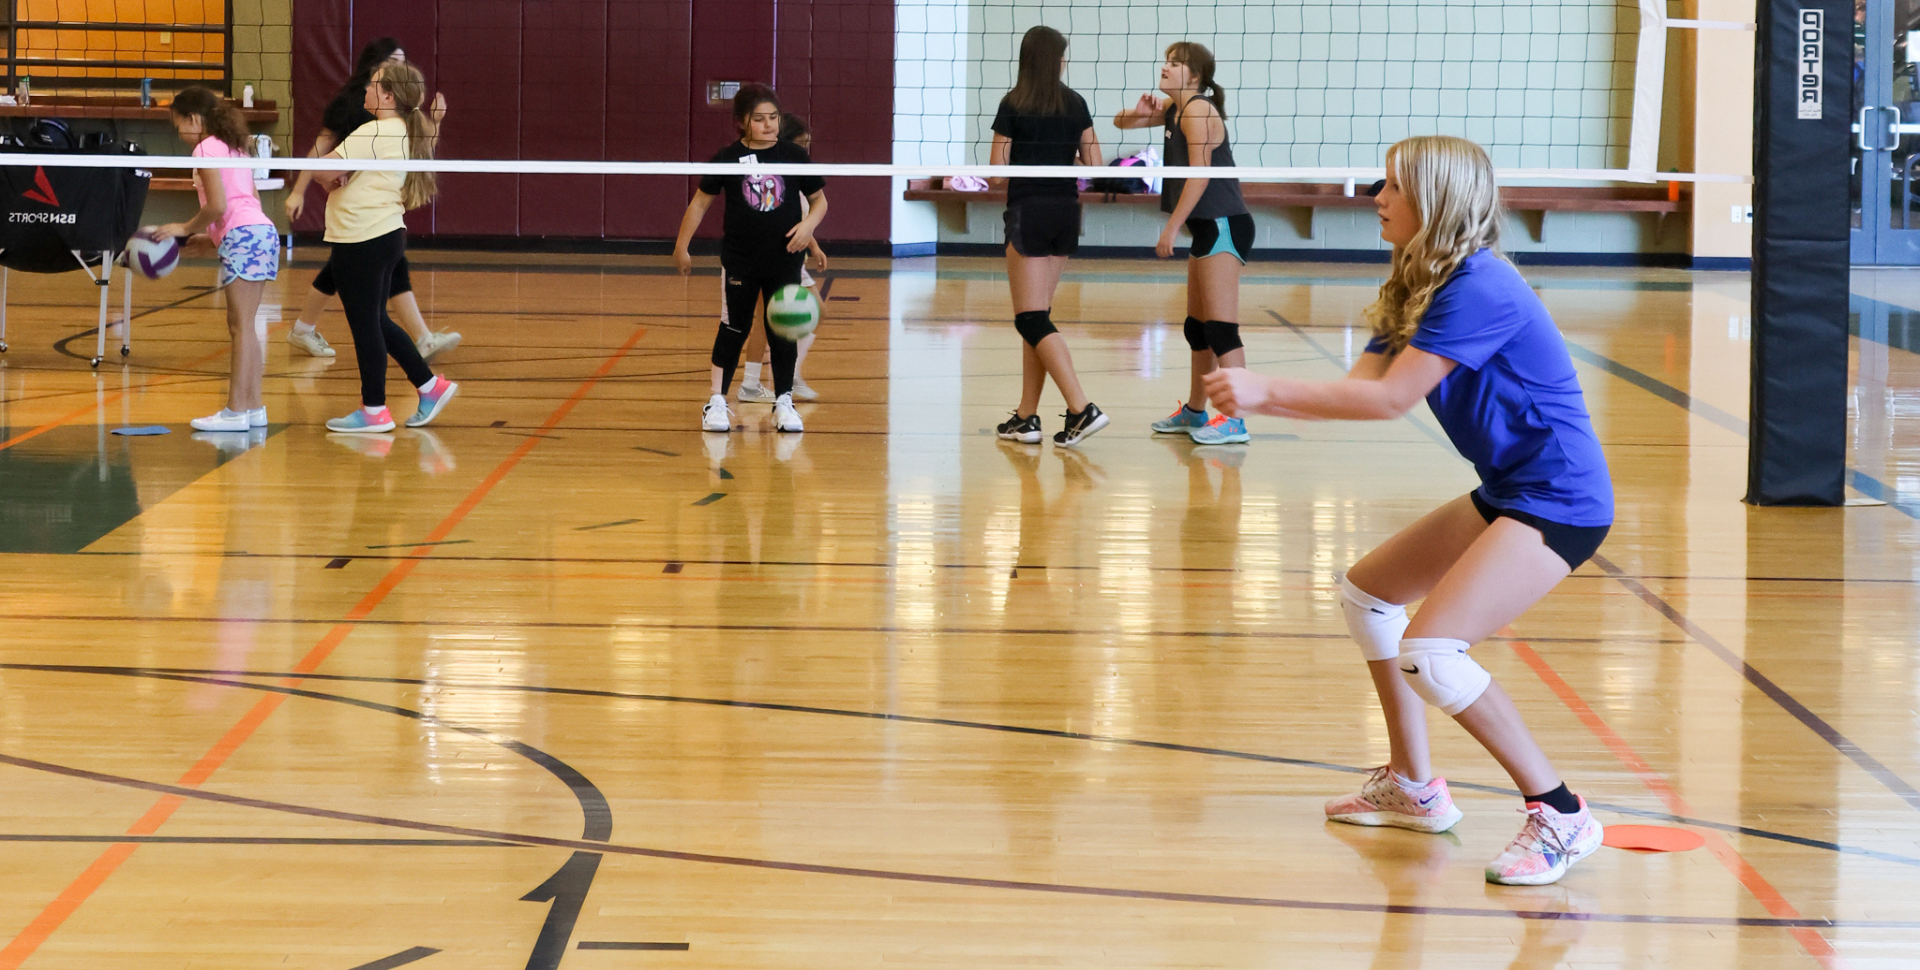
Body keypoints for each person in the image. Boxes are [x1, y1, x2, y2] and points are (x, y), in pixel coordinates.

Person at [1203, 135, 1613, 887]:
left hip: (1561, 498)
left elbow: (1392, 399)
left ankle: (1561, 813)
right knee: (1369, 594)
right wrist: (1266, 391)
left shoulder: (1480, 285)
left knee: (1433, 653)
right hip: (1510, 489)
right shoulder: (1415, 282)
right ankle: (1415, 787)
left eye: (1391, 186)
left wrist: (1262, 390)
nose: (1376, 198)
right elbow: (1361, 391)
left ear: (1435, 198)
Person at [1114, 41, 1254, 446]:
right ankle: (1196, 411)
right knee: (1197, 328)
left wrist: (1171, 228)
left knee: (1222, 329)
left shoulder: (1198, 110)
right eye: (1166, 61)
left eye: (1175, 64)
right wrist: (1140, 114)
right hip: (1206, 226)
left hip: (1223, 224)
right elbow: (1121, 122)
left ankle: (1235, 420)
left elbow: (1200, 176)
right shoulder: (1177, 109)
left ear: (1194, 76)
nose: (1165, 67)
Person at [285, 37, 457, 361]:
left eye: (405, 61)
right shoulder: (352, 105)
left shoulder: (400, 116)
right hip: (356, 214)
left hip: (375, 216)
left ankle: (305, 329)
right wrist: (299, 190)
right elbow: (321, 152)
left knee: (363, 278)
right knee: (369, 291)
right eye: (395, 61)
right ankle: (420, 351)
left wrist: (434, 122)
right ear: (375, 66)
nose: (402, 67)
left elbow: (420, 153)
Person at [309, 61, 459, 434]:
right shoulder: (407, 131)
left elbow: (320, 170)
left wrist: (336, 171)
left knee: (366, 326)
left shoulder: (374, 131)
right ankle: (430, 386)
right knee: (376, 320)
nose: (365, 91)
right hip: (385, 235)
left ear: (389, 96)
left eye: (373, 85)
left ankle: (374, 409)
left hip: (362, 237)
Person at [673, 83, 827, 435]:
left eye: (773, 117)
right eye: (760, 119)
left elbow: (819, 200)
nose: (769, 125)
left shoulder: (793, 155)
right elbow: (699, 204)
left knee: (782, 329)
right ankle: (716, 401)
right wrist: (682, 246)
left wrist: (807, 228)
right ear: (743, 122)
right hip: (740, 258)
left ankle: (784, 401)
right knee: (734, 327)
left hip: (784, 257)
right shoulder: (726, 158)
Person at [991, 25, 1107, 448]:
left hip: (1029, 211)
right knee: (1037, 316)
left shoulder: (1013, 103)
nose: (1065, 61)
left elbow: (997, 166)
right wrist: (1063, 153)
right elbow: (1093, 163)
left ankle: (1081, 408)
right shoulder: (1075, 102)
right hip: (1065, 213)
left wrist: (1030, 154)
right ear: (1053, 59)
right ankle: (1027, 417)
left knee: (1030, 318)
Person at [155, 87, 280, 434]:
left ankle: (235, 410)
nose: (179, 133)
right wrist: (204, 240)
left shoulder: (205, 149)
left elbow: (218, 207)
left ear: (194, 119)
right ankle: (254, 407)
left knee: (240, 327)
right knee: (247, 325)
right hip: (263, 234)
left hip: (244, 236)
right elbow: (247, 203)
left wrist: (182, 228)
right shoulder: (237, 149)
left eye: (178, 124)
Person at [739, 111, 828, 403]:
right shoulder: (774, 178)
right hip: (774, 257)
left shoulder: (800, 175)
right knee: (766, 322)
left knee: (817, 313)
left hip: (795, 257)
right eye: (802, 144)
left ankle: (791, 375)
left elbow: (801, 218)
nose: (807, 150)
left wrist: (813, 246)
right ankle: (751, 384)